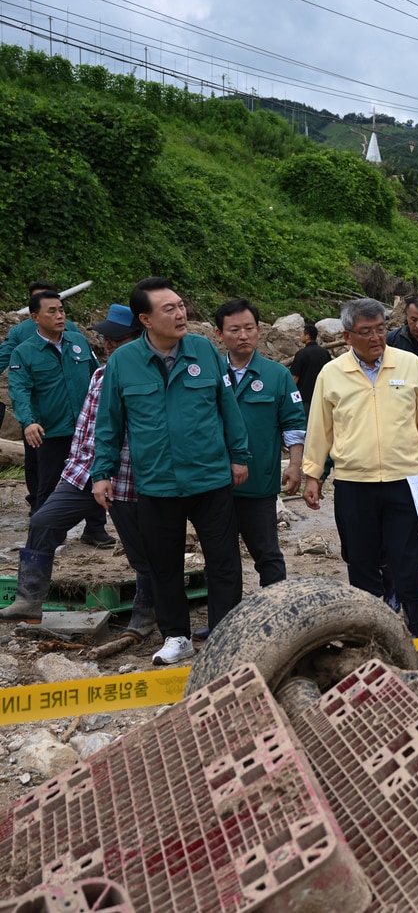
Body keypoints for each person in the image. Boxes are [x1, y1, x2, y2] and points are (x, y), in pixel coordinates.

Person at [91, 278, 250, 666]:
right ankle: (176, 637)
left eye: (181, 306)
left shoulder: (203, 351)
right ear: (145, 319)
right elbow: (109, 422)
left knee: (224, 561)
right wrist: (101, 471)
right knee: (163, 567)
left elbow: (227, 406)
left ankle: (225, 634)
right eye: (169, 309)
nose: (180, 314)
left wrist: (239, 455)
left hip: (210, 478)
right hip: (157, 483)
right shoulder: (122, 363)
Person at [0, 305, 155, 636]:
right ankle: (29, 600)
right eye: (106, 339)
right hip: (84, 473)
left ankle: (146, 612)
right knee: (43, 520)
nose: (109, 345)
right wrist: (71, 470)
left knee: (141, 548)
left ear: (140, 336)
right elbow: (84, 429)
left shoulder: (150, 375)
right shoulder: (98, 375)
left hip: (128, 477)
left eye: (118, 339)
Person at [301, 298, 418, 638]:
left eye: (381, 329)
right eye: (365, 331)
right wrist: (313, 474)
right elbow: (320, 428)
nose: (375, 337)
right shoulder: (332, 373)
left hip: (404, 483)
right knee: (361, 563)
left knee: (408, 562)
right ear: (348, 336)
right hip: (354, 485)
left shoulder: (409, 365)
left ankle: (414, 635)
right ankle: (370, 636)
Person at [214, 299, 306, 590]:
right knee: (220, 556)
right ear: (219, 334)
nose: (243, 335)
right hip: (213, 482)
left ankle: (276, 611)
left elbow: (293, 424)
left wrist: (294, 465)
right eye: (235, 329)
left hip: (258, 484)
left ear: (259, 330)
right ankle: (225, 618)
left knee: (266, 553)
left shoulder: (276, 375)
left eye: (249, 328)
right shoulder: (209, 373)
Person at [8, 285, 100, 526]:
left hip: (86, 428)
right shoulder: (24, 352)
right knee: (47, 483)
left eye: (61, 310)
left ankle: (95, 529)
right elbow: (19, 390)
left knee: (95, 477)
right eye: (52, 312)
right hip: (51, 429)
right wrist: (28, 422)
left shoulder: (78, 341)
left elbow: (98, 378)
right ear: (35, 318)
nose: (60, 316)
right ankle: (44, 530)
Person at [289, 322, 332, 407]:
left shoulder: (301, 354)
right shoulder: (325, 353)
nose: (300, 336)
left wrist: (291, 397)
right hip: (321, 396)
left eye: (302, 334)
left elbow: (294, 378)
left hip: (304, 398)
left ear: (307, 336)